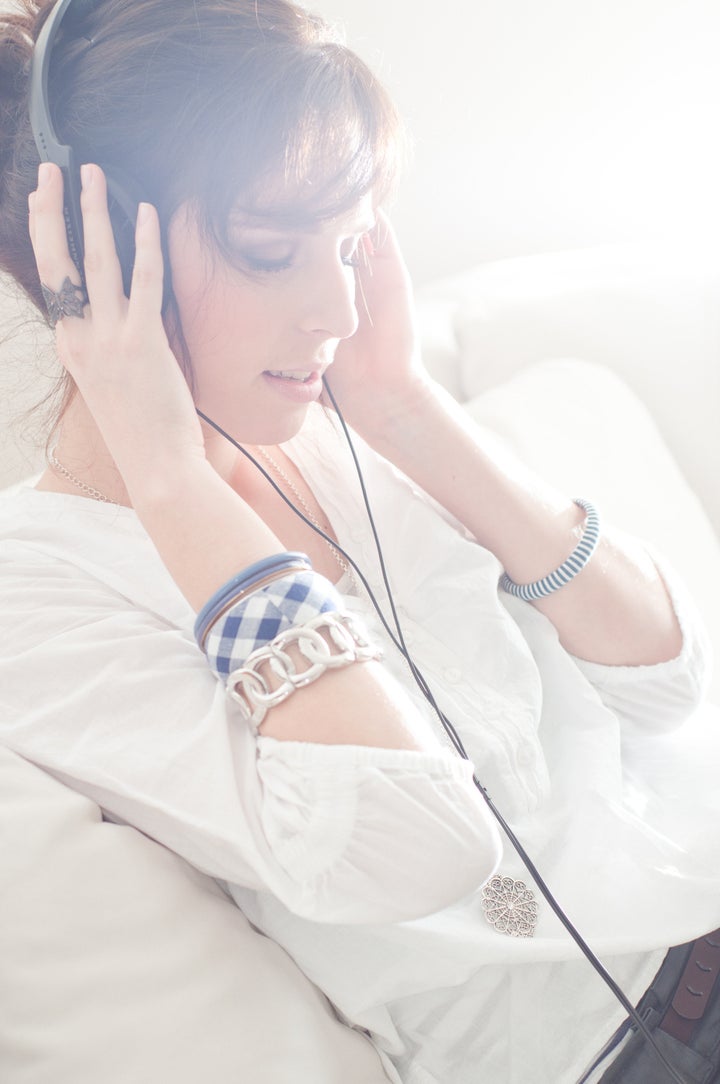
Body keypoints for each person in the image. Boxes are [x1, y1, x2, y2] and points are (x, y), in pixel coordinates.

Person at [0, 1, 718, 1081]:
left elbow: (662, 678)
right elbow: (420, 841)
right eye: (271, 249)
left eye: (348, 243)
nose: (336, 302)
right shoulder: (39, 593)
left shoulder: (338, 425)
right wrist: (170, 481)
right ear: (96, 261)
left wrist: (407, 405)